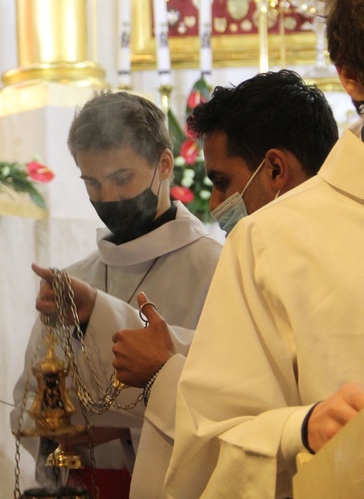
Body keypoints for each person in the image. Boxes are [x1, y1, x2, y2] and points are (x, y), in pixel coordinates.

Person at [165, 4, 364, 496]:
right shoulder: (267, 240)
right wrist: (302, 429)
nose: (216, 205)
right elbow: (207, 451)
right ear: (352, 76)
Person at [111, 70, 339, 498]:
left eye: (222, 182)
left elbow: (251, 429)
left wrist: (161, 372)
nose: (215, 203)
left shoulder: (261, 249)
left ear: (275, 169)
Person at [11, 91, 223, 498]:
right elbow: (30, 399)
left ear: (164, 164)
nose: (108, 198)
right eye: (92, 182)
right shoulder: (76, 278)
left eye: (122, 179)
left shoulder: (215, 269)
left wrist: (119, 434)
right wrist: (56, 438)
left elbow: (224, 401)